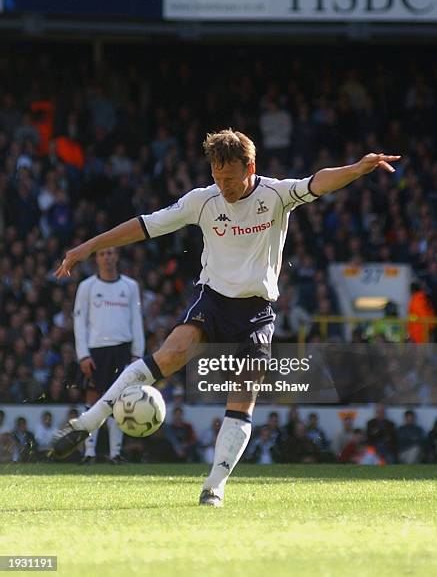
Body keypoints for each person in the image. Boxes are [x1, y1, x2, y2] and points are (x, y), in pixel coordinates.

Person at [51, 128, 399, 506]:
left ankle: (214, 486)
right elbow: (144, 225)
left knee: (243, 397)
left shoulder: (276, 195)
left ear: (250, 167)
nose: (223, 186)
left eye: (230, 178)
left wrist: (357, 169)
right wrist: (88, 246)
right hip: (213, 299)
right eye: (217, 178)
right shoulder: (202, 201)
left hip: (256, 311)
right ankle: (87, 423)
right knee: (171, 353)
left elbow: (318, 182)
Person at [73, 247, 145, 464]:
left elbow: (136, 320)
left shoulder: (130, 286)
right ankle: (89, 453)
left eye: (111, 253)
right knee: (92, 399)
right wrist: (83, 355)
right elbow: (79, 321)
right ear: (96, 258)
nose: (107, 257)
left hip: (122, 349)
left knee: (120, 402)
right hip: (95, 350)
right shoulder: (87, 286)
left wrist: (137, 354)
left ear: (117, 256)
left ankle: (115, 453)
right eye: (102, 254)